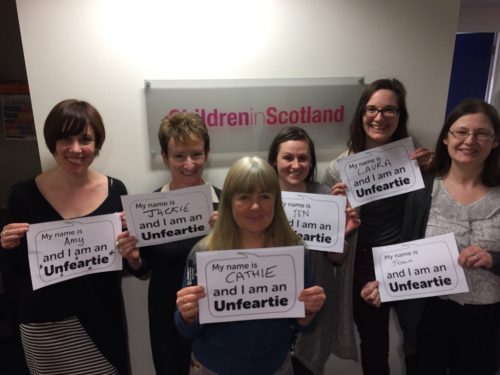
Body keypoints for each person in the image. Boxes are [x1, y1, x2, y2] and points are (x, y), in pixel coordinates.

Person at [362, 98, 500, 374]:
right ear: (446, 138)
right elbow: (405, 249)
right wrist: (384, 284)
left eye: (482, 133)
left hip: (487, 321)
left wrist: (493, 259)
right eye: (460, 132)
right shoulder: (422, 191)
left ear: (495, 141)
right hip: (427, 317)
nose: (469, 140)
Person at [0, 99, 130, 374]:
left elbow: (127, 262)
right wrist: (7, 245)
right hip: (43, 325)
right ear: (53, 143)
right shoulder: (23, 195)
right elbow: (16, 270)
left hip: (100, 321)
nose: (76, 149)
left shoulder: (116, 190)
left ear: (97, 143)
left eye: (85, 139)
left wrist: (132, 247)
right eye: (66, 139)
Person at [174, 156, 326, 375]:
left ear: (276, 200)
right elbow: (184, 327)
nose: (255, 206)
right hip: (212, 366)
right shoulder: (200, 253)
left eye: (264, 196)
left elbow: (304, 322)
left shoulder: (295, 251)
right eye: (244, 197)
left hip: (275, 366)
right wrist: (187, 315)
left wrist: (310, 311)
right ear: (228, 202)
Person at [322, 78, 432, 375]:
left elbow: (430, 211)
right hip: (363, 265)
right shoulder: (339, 168)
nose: (379, 117)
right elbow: (333, 235)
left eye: (388, 110)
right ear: (361, 114)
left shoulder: (413, 156)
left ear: (400, 115)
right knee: (374, 346)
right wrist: (335, 206)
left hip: (410, 258)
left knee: (419, 340)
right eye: (371, 109)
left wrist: (434, 170)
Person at [116, 112, 221, 375]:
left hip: (218, 314)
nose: (188, 164)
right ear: (164, 157)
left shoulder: (228, 202)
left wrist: (231, 234)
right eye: (178, 156)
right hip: (167, 315)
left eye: (196, 154)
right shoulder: (148, 207)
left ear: (207, 153)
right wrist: (133, 258)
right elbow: (143, 269)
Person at [267, 126, 360, 375]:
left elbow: (336, 259)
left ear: (311, 162)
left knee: (308, 368)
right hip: (270, 303)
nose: (296, 165)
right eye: (288, 157)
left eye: (303, 158)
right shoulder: (261, 198)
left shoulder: (324, 195)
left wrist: (343, 234)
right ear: (274, 161)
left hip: (315, 303)